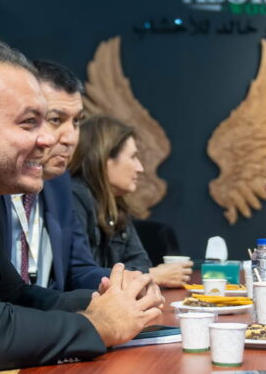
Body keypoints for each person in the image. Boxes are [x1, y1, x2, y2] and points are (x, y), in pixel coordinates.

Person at [0, 31, 163, 374]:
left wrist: (108, 299)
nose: (49, 140)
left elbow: (15, 295)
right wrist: (101, 324)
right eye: (28, 123)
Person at [0, 59, 112, 290]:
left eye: (77, 121)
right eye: (55, 120)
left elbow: (79, 269)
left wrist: (127, 282)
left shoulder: (58, 182)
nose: (70, 138)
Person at [69, 115, 192, 287]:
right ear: (104, 158)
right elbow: (80, 277)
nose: (140, 168)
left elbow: (140, 261)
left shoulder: (116, 204)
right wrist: (152, 275)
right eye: (133, 157)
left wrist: (143, 274)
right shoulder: (74, 197)